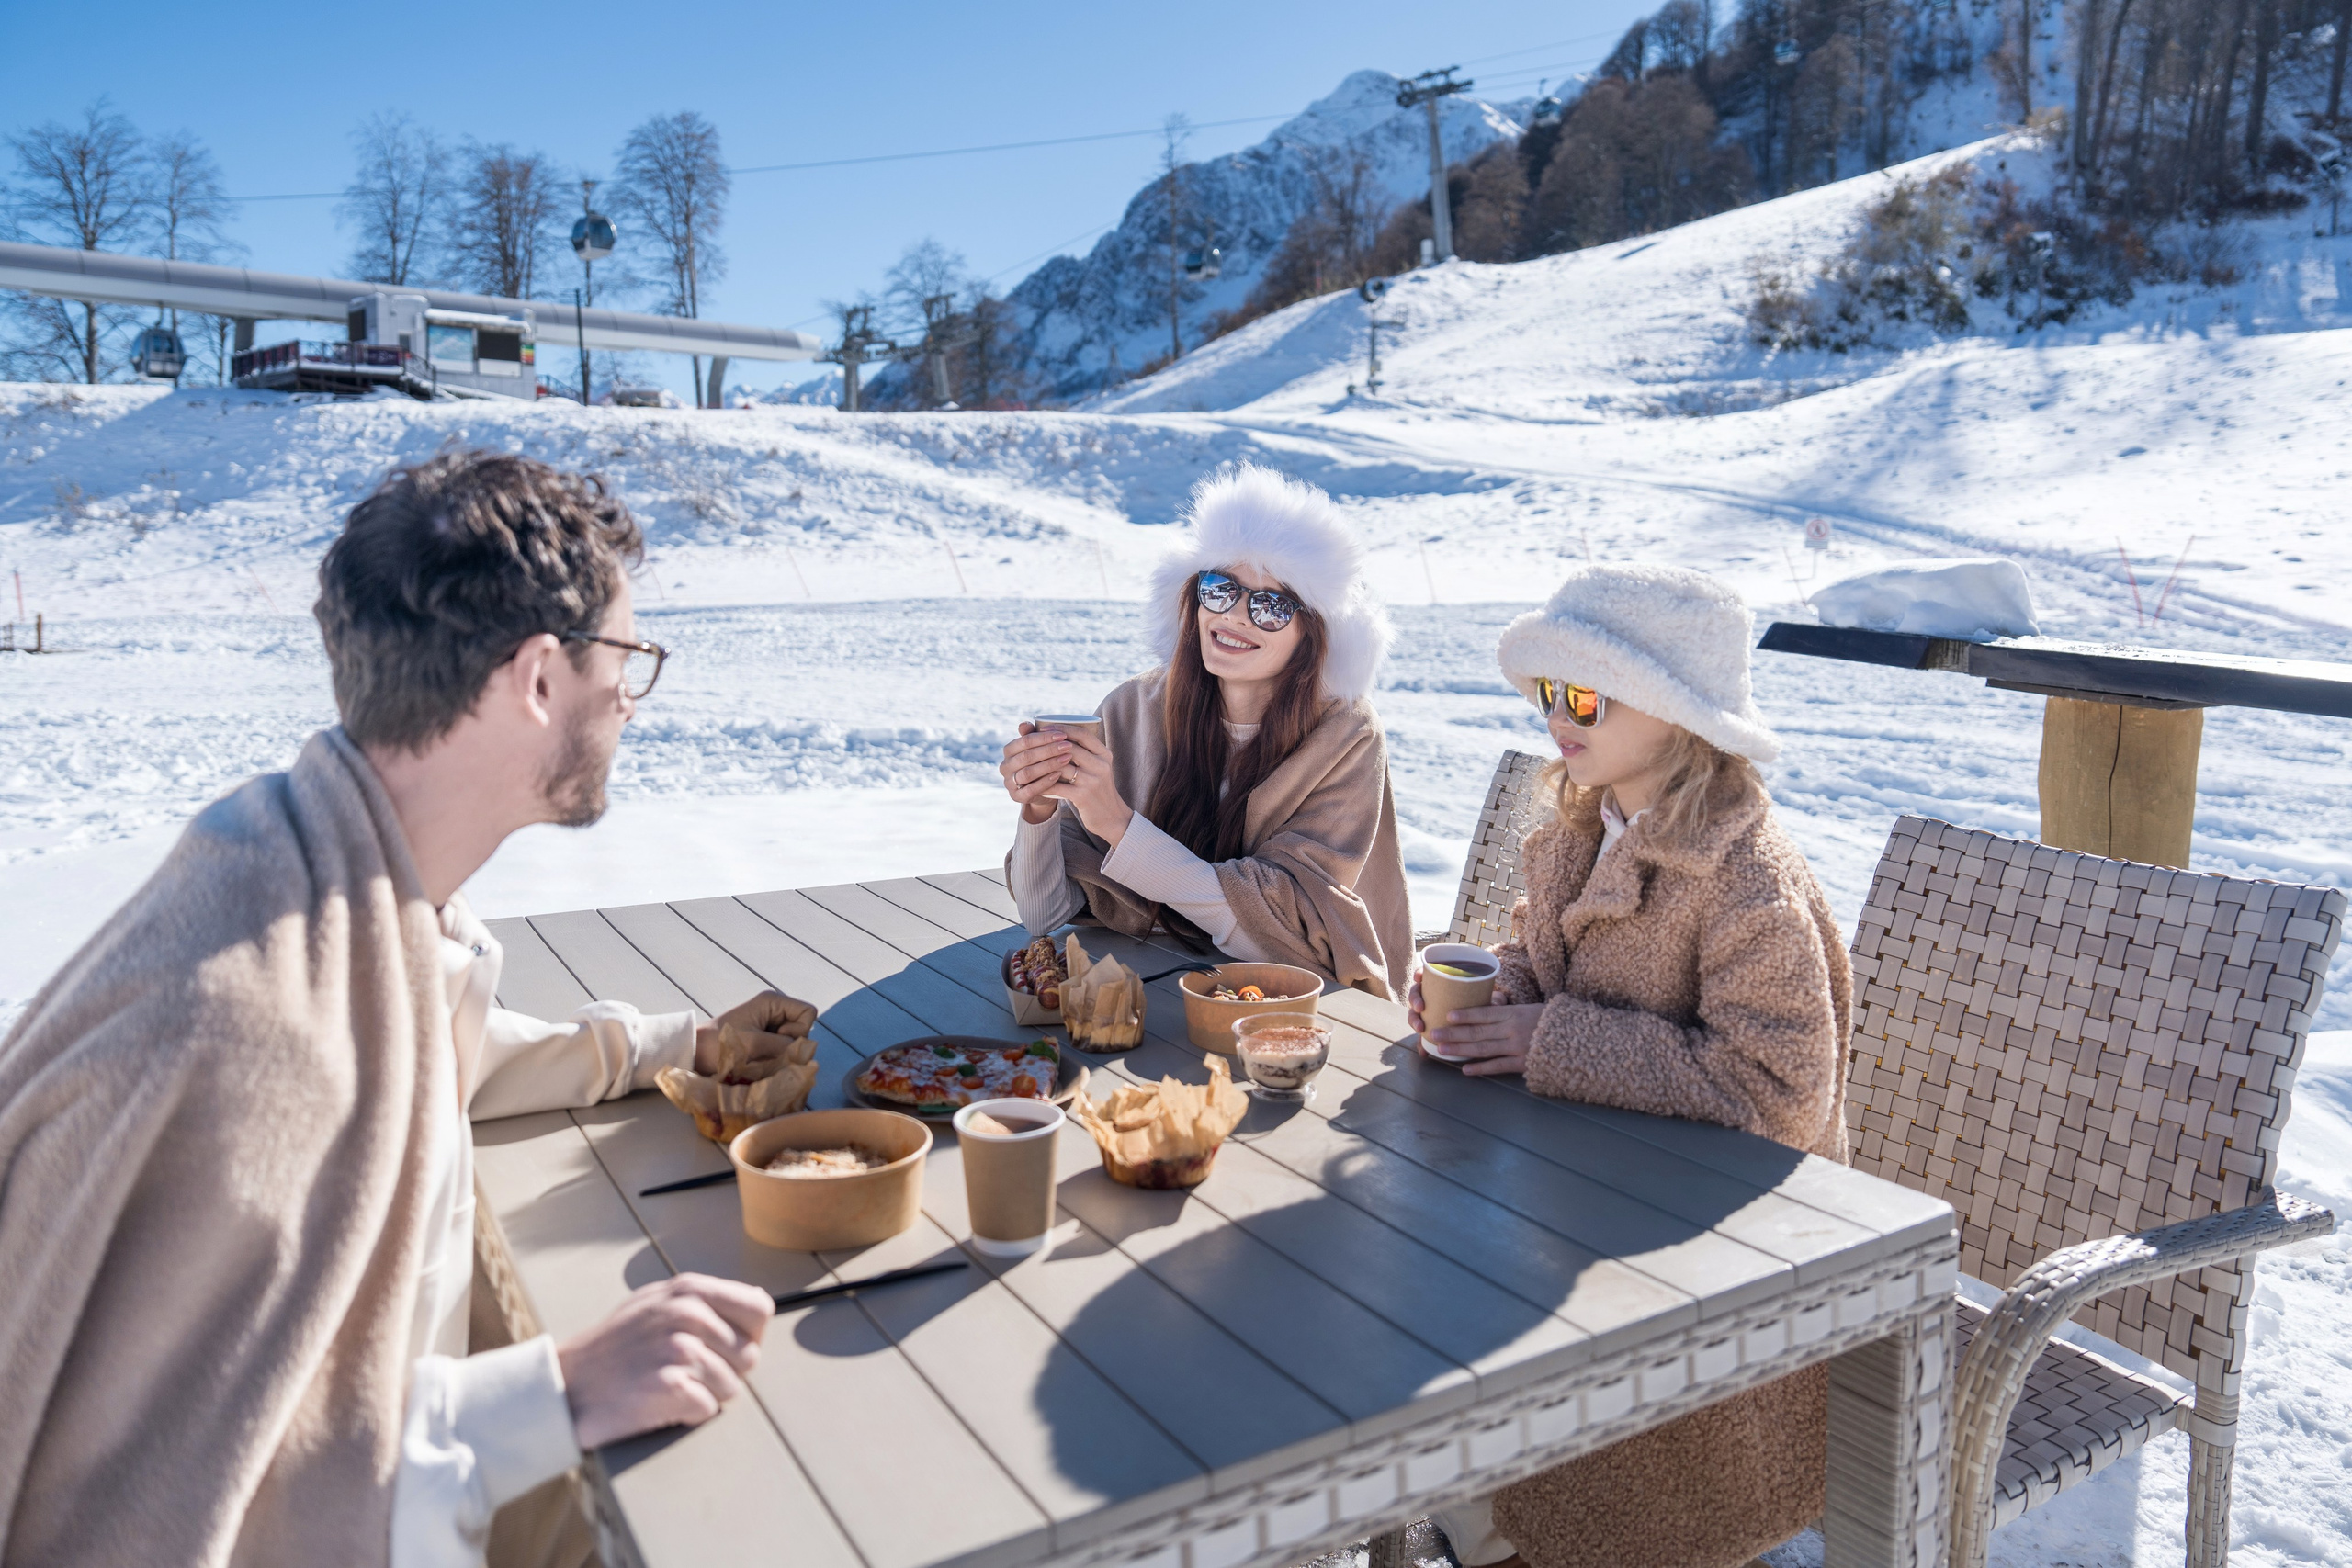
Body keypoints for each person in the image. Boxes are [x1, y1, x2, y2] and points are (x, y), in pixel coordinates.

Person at [0, 452, 817, 1568]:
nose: (630, 694)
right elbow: (126, 1520)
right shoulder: (252, 1034)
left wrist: (679, 1046)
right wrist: (552, 1391)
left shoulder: (315, 874)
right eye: (624, 657)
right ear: (538, 680)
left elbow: (431, 1058)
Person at [1408, 563, 1852, 1568]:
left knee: (1516, 1445)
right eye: (1547, 693)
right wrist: (1495, 998)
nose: (1557, 717)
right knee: (1401, 1300)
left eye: (1584, 696)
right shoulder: (1584, 818)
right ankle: (1475, 1521)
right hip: (1583, 1201)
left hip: (1716, 1286)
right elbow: (1545, 958)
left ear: (1675, 715)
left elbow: (1778, 1092)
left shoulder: (1746, 880)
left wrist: (1549, 1040)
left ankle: (1519, 1536)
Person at [997, 465, 1412, 997]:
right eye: (1220, 589)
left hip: (1301, 1009)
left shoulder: (1345, 735)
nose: (1236, 616)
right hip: (1155, 987)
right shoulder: (1133, 709)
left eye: (1270, 606)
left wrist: (1119, 827)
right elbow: (1042, 916)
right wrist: (1040, 810)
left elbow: (1293, 935)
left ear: (1312, 632)